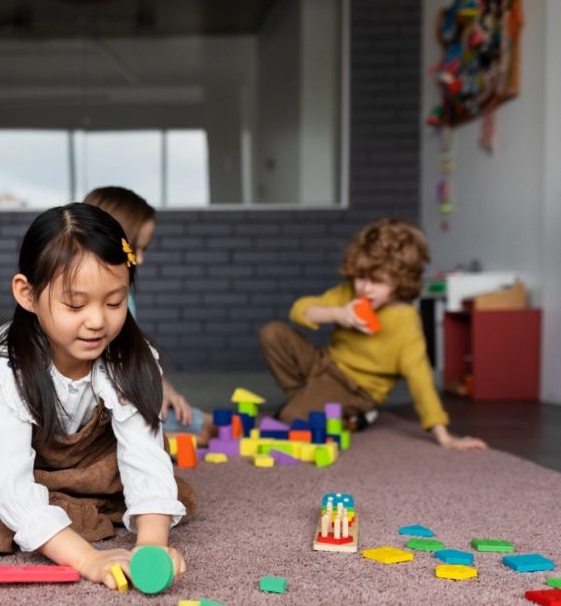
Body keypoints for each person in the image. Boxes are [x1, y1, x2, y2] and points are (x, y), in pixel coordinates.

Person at [0, 203, 197, 588]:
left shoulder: (130, 358)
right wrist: (87, 559)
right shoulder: (8, 366)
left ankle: (57, 500)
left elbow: (144, 457)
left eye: (114, 303)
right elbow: (6, 476)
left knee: (143, 481)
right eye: (75, 304)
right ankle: (55, 513)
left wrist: (151, 546)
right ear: (27, 294)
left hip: (82, 459)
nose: (97, 321)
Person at [258, 218, 487, 450]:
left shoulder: (405, 321)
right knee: (272, 333)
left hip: (355, 389)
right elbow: (300, 310)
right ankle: (315, 406)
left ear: (400, 280)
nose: (365, 288)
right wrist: (337, 314)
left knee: (290, 418)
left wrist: (444, 436)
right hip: (324, 364)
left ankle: (319, 409)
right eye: (360, 277)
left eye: (377, 281)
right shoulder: (349, 295)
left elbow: (421, 379)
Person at [83, 186, 213, 442]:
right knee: (202, 431)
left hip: (128, 386)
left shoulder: (123, 293)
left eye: (144, 249)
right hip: (104, 398)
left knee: (205, 422)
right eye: (135, 248)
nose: (139, 259)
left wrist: (163, 387)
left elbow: (131, 351)